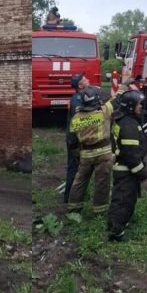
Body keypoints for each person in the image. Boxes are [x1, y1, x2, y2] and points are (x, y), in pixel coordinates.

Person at [67, 83, 126, 214]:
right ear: (96, 99)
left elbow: (72, 141)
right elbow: (116, 101)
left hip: (85, 154)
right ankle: (100, 211)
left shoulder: (76, 118)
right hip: (103, 154)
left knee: (80, 181)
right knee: (102, 183)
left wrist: (78, 155)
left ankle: (73, 208)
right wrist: (123, 87)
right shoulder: (103, 111)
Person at [108, 89, 147, 241]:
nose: (141, 107)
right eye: (139, 104)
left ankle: (119, 224)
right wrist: (141, 172)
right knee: (123, 201)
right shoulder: (129, 125)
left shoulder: (124, 119)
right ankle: (116, 231)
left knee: (125, 200)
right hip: (127, 171)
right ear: (131, 106)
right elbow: (131, 154)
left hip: (124, 169)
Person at [59, 74, 87, 202]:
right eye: (85, 79)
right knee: (74, 168)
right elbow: (78, 122)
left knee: (76, 168)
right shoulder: (77, 99)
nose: (88, 80)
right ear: (80, 86)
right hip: (74, 140)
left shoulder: (80, 97)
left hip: (74, 139)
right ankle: (69, 197)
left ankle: (73, 195)